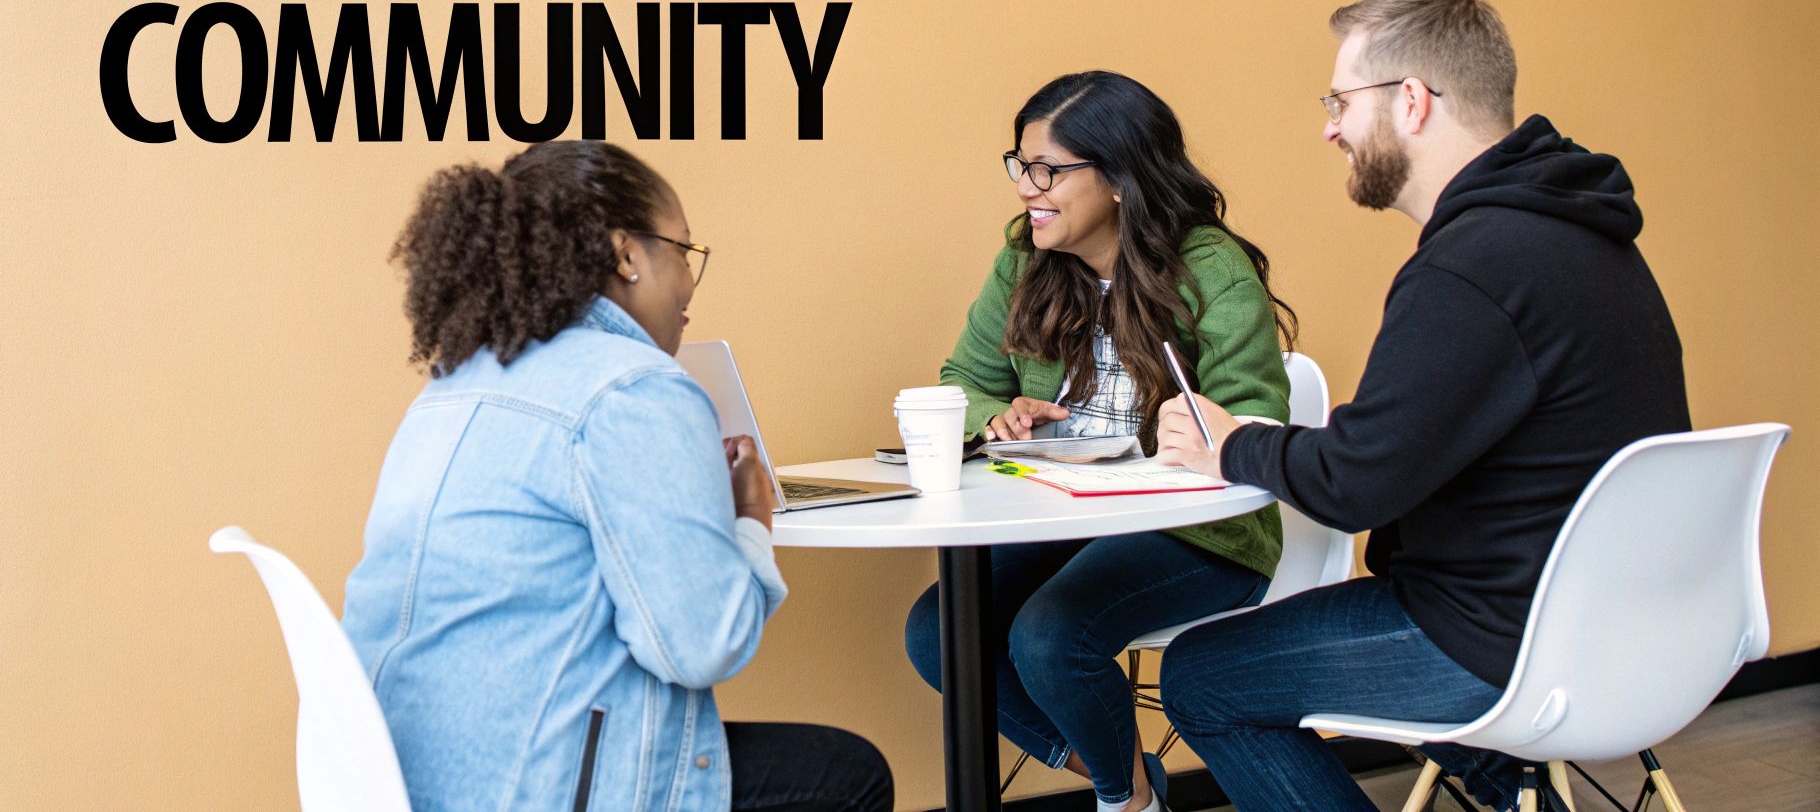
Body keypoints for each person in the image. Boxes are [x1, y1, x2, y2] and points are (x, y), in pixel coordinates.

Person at [1153, 0, 1691, 812]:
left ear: (1410, 101)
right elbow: (1417, 448)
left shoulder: (1472, 265)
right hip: (1632, 626)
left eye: (1340, 100)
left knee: (1202, 676)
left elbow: (1359, 482)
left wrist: (1231, 443)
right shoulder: (1584, 233)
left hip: (1504, 638)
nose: (1329, 125)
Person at [340, 141, 893, 812]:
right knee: (849, 776)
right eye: (683, 251)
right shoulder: (633, 387)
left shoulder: (453, 384)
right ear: (626, 253)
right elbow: (700, 648)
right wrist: (750, 516)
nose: (689, 283)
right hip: (533, 787)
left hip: (405, 779)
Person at [903, 71, 1298, 812]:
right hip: (1063, 512)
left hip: (1199, 529)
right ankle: (1130, 776)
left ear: (1119, 177)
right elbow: (963, 380)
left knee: (1051, 636)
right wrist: (997, 416)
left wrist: (1210, 427)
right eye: (1020, 165)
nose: (1027, 186)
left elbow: (1255, 425)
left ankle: (1124, 801)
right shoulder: (1025, 259)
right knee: (938, 633)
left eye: (1049, 169)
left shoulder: (1210, 266)